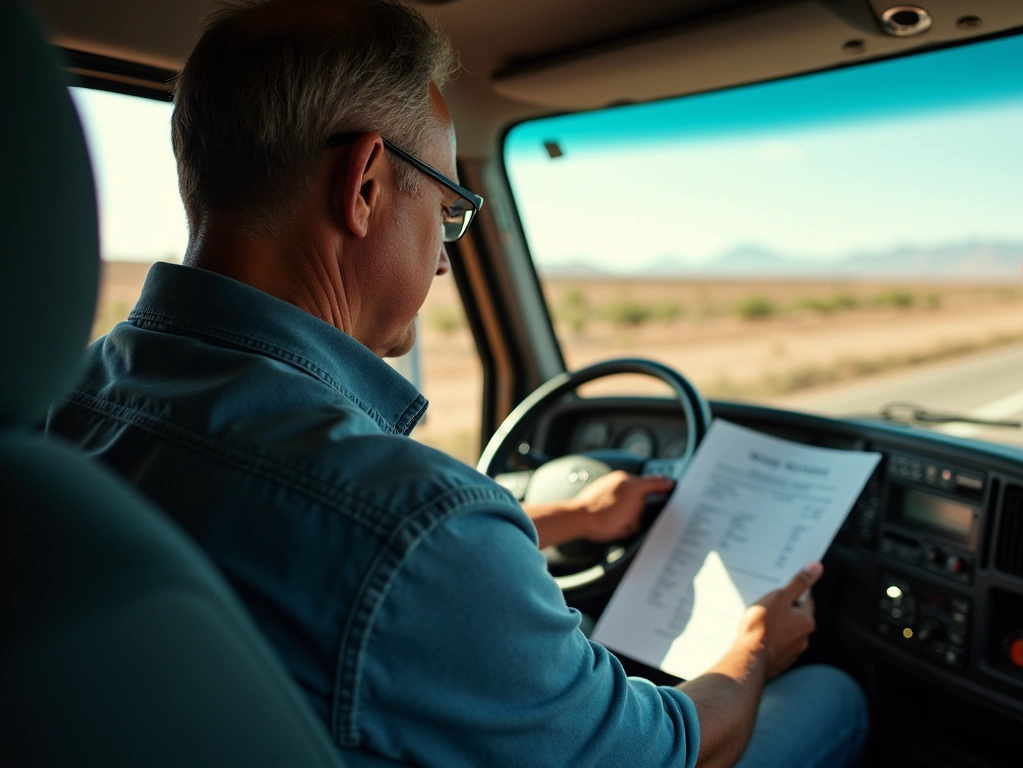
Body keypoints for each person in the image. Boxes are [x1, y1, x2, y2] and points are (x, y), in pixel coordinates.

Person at [48, 0, 869, 765]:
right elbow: (659, 749)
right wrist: (755, 647)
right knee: (831, 693)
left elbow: (315, 550)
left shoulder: (65, 403)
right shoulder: (420, 523)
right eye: (445, 213)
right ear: (365, 185)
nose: (445, 257)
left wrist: (551, 516)